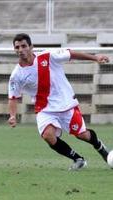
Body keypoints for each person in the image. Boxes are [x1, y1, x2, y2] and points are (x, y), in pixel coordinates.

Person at [8, 33, 110, 170]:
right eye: (17, 47)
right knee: (48, 136)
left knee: (82, 135)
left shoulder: (48, 56)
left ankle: (100, 147)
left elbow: (71, 54)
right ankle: (78, 159)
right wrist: (13, 116)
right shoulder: (16, 75)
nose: (20, 50)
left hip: (66, 103)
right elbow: (13, 97)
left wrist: (95, 58)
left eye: (24, 46)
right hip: (44, 109)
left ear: (31, 47)